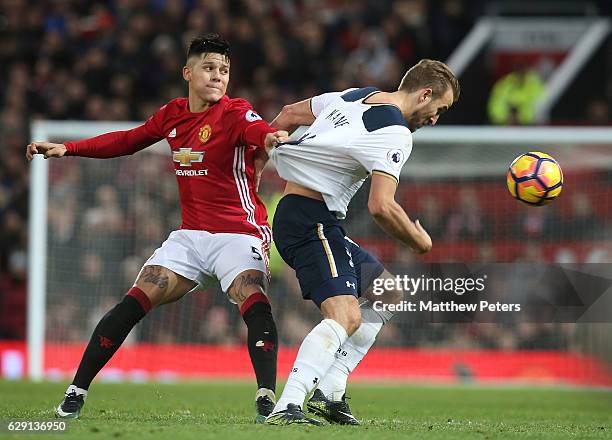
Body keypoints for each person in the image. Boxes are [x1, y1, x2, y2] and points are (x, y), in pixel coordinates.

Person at [26, 34, 289, 423]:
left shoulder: (236, 112)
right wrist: (70, 148)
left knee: (253, 296)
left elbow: (258, 130)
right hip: (189, 236)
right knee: (134, 300)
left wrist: (271, 137)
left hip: (238, 232)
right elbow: (129, 140)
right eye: (209, 68)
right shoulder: (173, 115)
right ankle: (74, 393)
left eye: (225, 70)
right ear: (188, 72)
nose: (218, 76)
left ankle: (267, 398)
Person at [263, 59, 459, 425]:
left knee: (387, 291)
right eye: (439, 109)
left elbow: (289, 114)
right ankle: (287, 405)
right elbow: (381, 206)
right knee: (346, 315)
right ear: (425, 94)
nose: (435, 119)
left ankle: (330, 390)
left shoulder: (356, 95)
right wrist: (419, 240)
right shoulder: (396, 131)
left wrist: (254, 170)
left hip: (306, 216)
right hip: (311, 220)